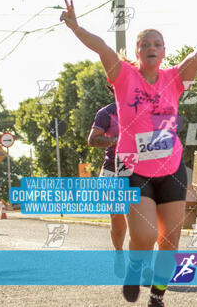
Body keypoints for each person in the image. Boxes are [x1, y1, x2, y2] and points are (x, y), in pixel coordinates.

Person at [61, 0, 197, 307]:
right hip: (133, 169)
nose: (152, 47)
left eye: (158, 43)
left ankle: (157, 295)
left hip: (171, 168)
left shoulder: (175, 79)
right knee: (143, 237)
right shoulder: (124, 76)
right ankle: (134, 267)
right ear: (137, 52)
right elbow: (101, 47)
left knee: (170, 240)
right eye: (146, 43)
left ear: (164, 52)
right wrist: (75, 27)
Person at [87, 89, 127, 278]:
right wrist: (116, 140)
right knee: (117, 219)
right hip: (113, 167)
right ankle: (119, 253)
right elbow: (92, 140)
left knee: (142, 217)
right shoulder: (106, 113)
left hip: (141, 166)